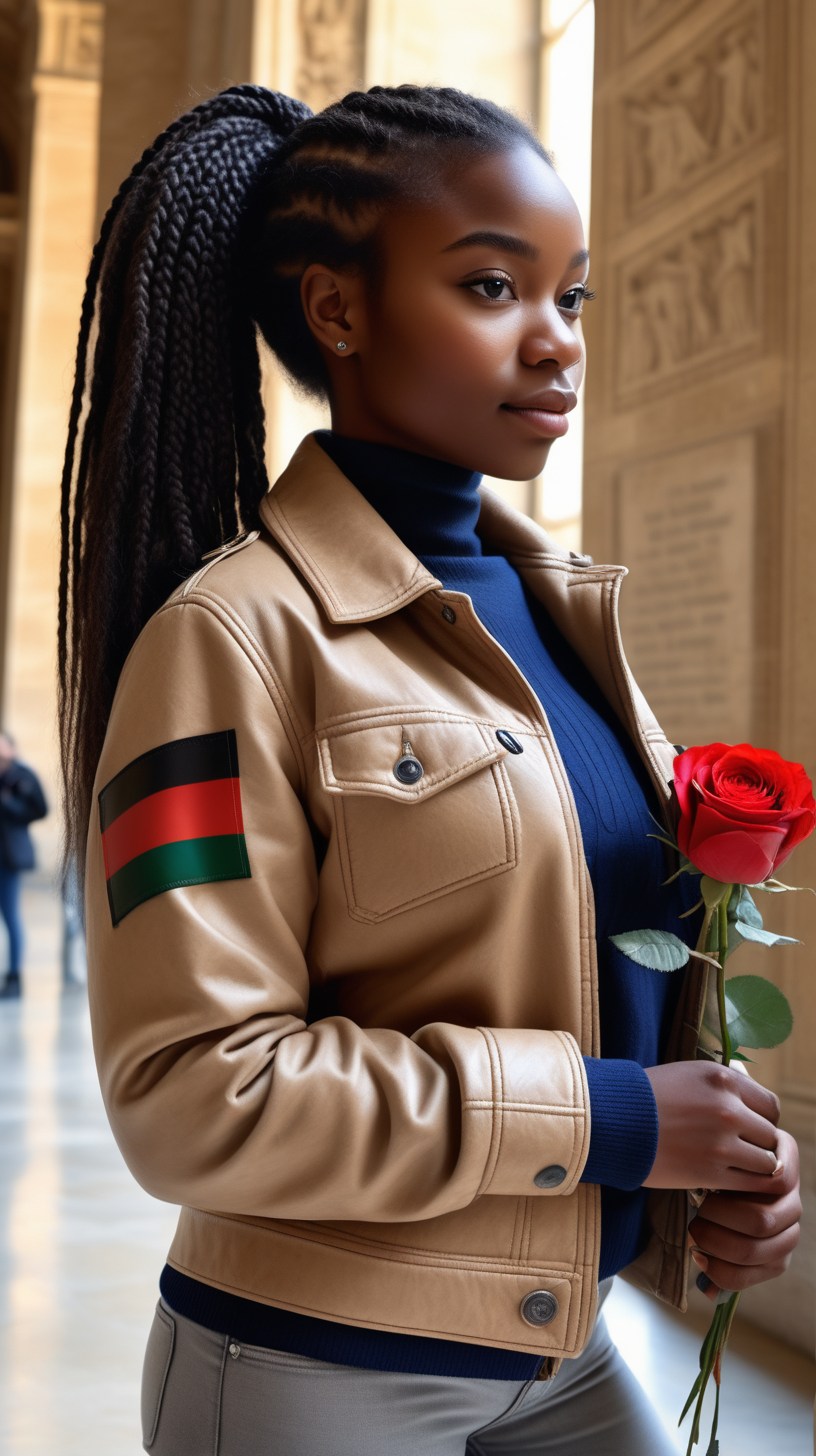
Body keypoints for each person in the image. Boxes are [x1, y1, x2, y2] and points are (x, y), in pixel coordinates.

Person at [59, 86, 802, 1455]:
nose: (555, 342)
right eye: (489, 286)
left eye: (570, 298)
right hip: (315, 1366)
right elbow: (190, 1094)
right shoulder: (228, 635)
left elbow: (568, 978)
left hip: (562, 1340)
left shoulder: (558, 613)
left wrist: (711, 1187)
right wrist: (623, 1122)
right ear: (336, 311)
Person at [0, 731, 47, 998]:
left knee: (10, 915)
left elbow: (41, 809)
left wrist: (9, 806)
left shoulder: (22, 775)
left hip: (8, 856)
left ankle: (14, 977)